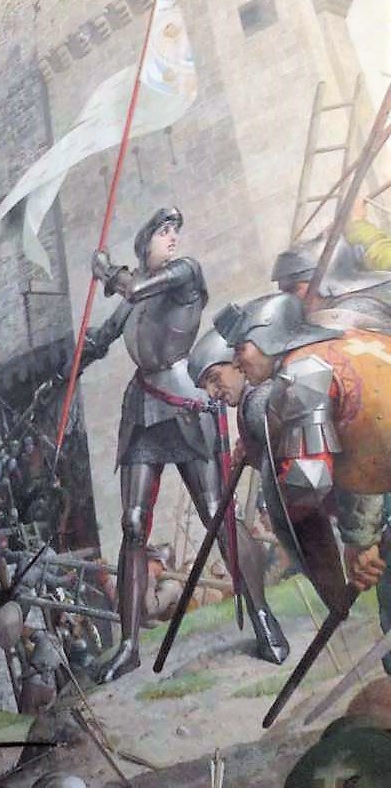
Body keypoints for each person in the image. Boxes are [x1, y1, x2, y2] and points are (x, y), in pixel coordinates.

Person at [77, 207, 286, 682]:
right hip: (143, 409)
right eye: (163, 231)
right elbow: (103, 338)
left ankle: (261, 615)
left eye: (175, 230)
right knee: (133, 524)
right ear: (145, 242)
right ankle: (129, 645)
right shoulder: (132, 303)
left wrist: (105, 272)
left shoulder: (184, 273)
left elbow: (133, 287)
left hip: (186, 404)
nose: (172, 237)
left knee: (216, 514)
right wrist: (76, 359)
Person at [220, 292, 391, 645]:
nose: (236, 361)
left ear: (267, 336)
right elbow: (365, 437)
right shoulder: (339, 346)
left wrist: (359, 543)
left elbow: (310, 482)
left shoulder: (303, 374)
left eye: (241, 348)